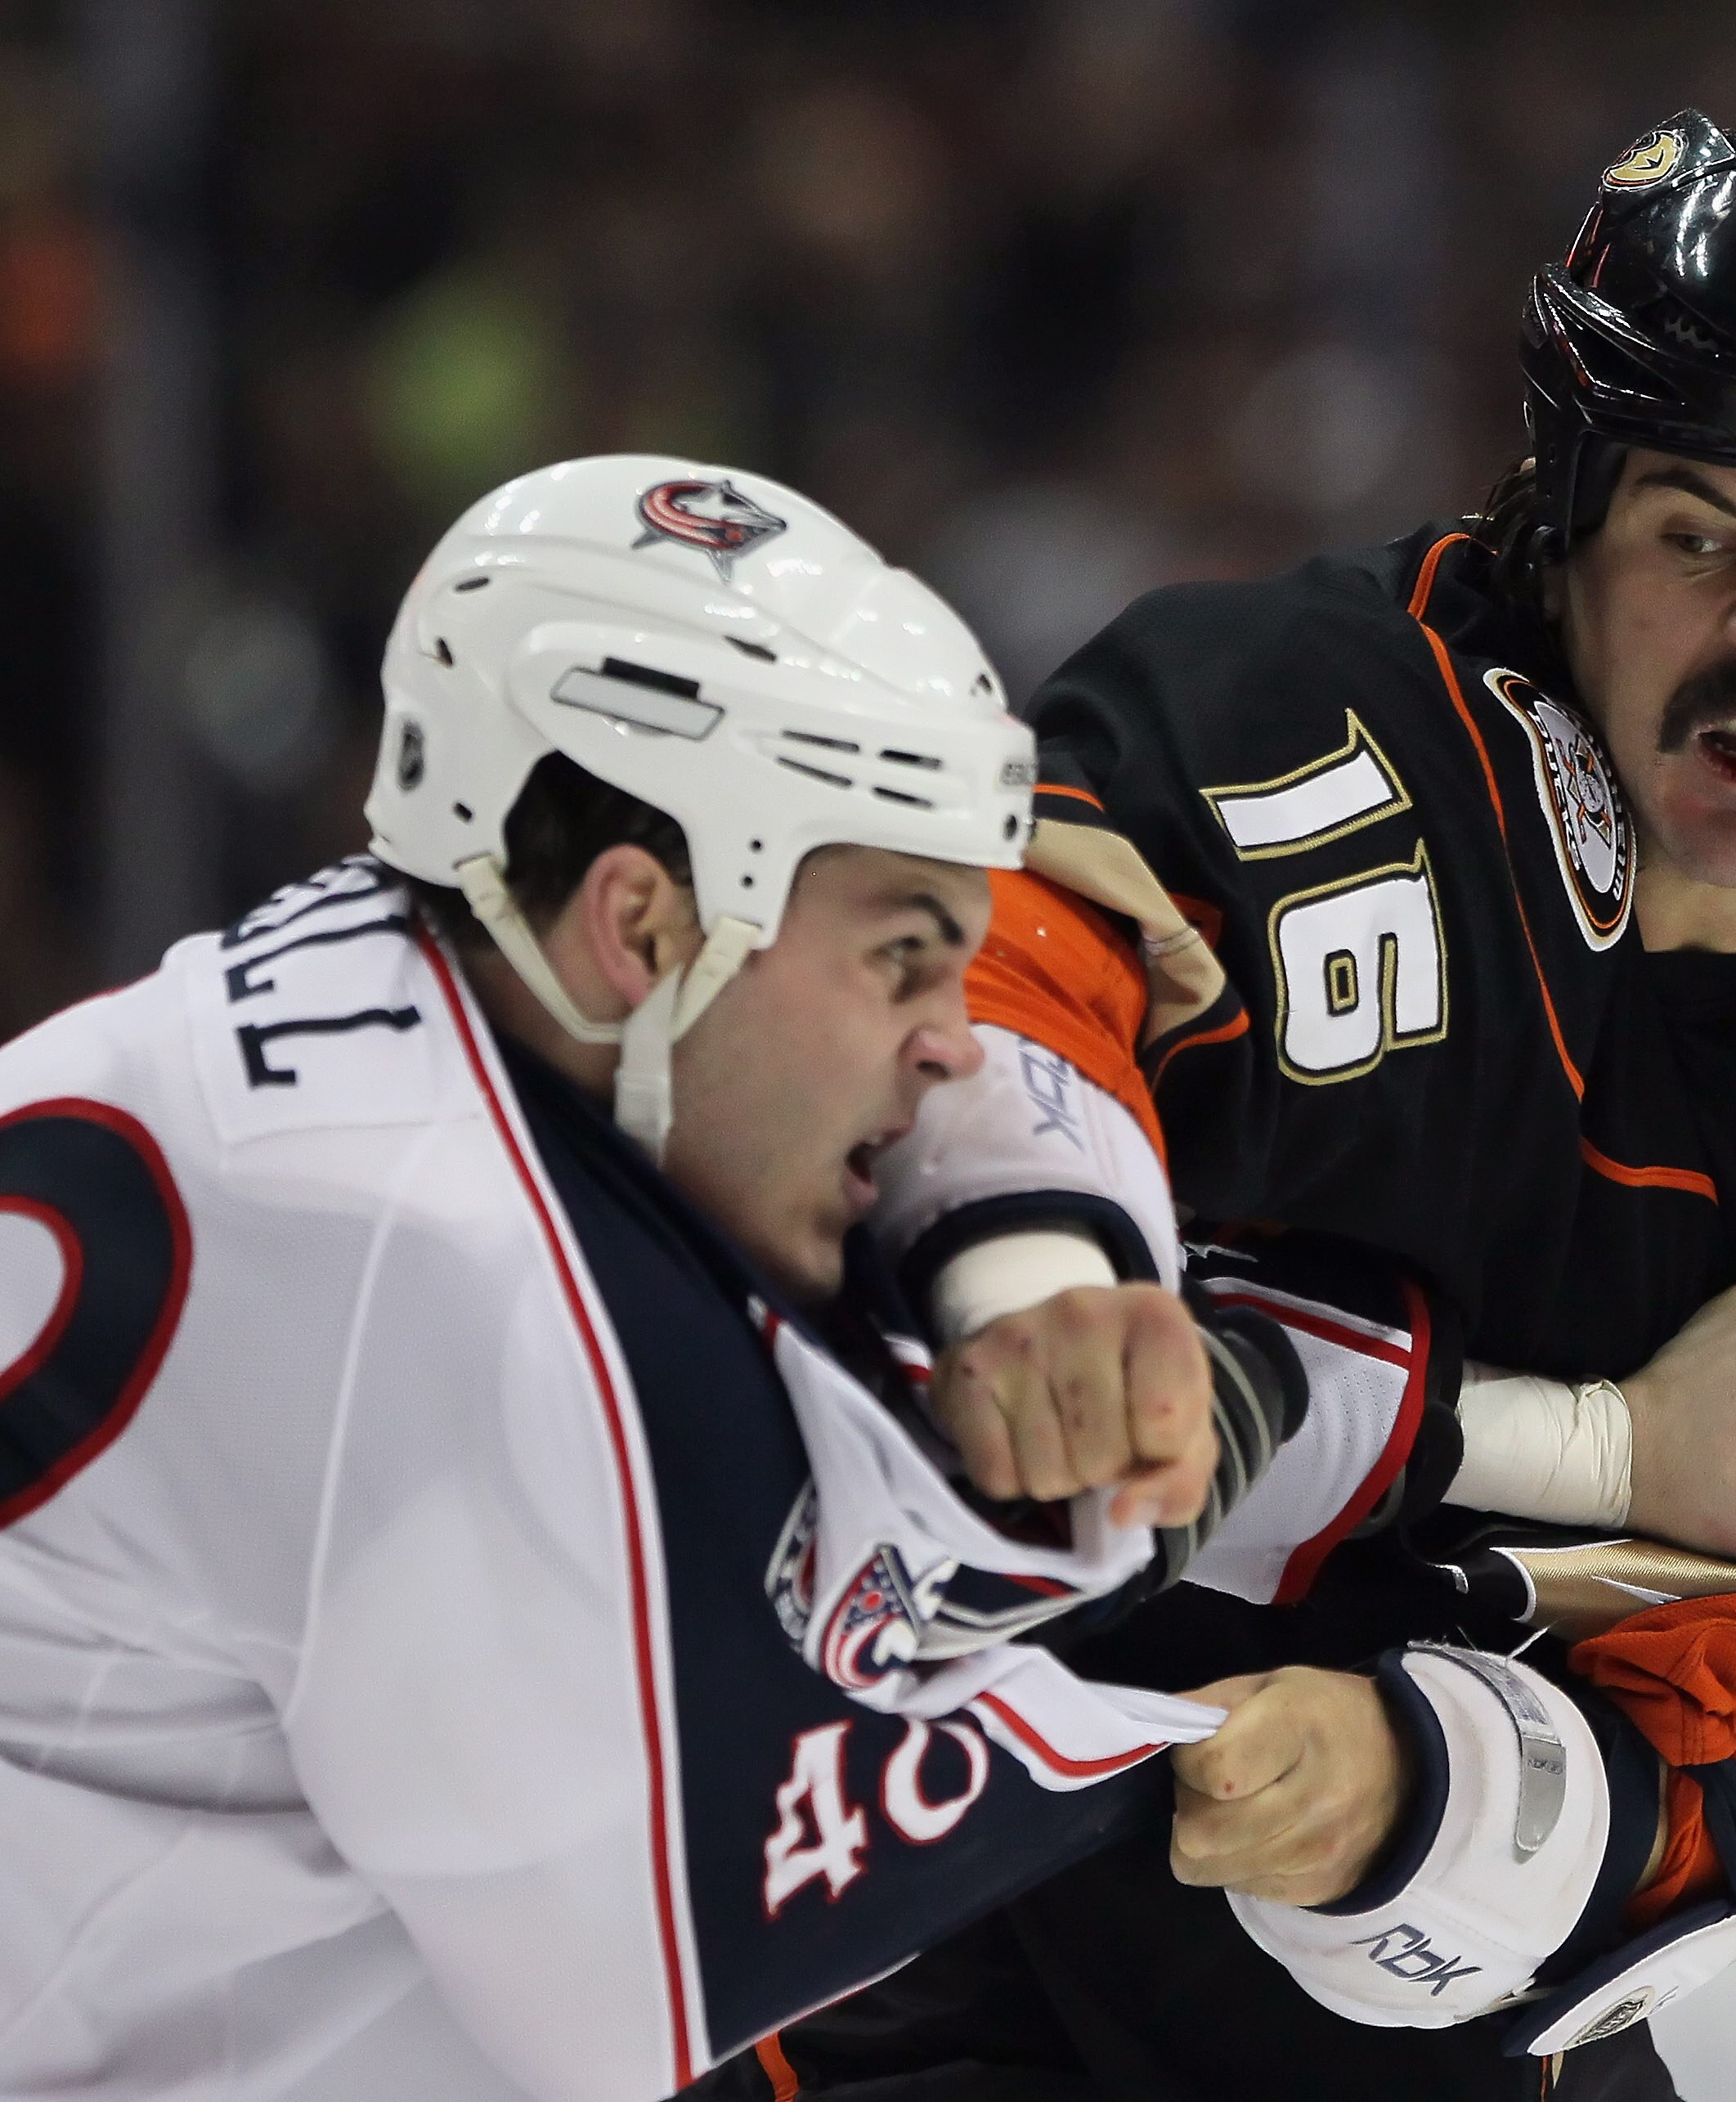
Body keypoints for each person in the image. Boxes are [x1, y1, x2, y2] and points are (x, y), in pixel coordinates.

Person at [742, 113, 1736, 2101]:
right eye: (1701, 535)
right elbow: (1005, 974)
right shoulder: (1316, 737)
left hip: (1438, 2023)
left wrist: (1433, 1791)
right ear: (1566, 530)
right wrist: (1029, 1254)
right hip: (903, 1911)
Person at [0, 456, 1321, 2100]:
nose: (950, 1041)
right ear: (641, 919)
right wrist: (1246, 1744)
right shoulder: (463, 1284)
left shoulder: (416, 1000)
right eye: (904, 950)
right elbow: (664, 1971)